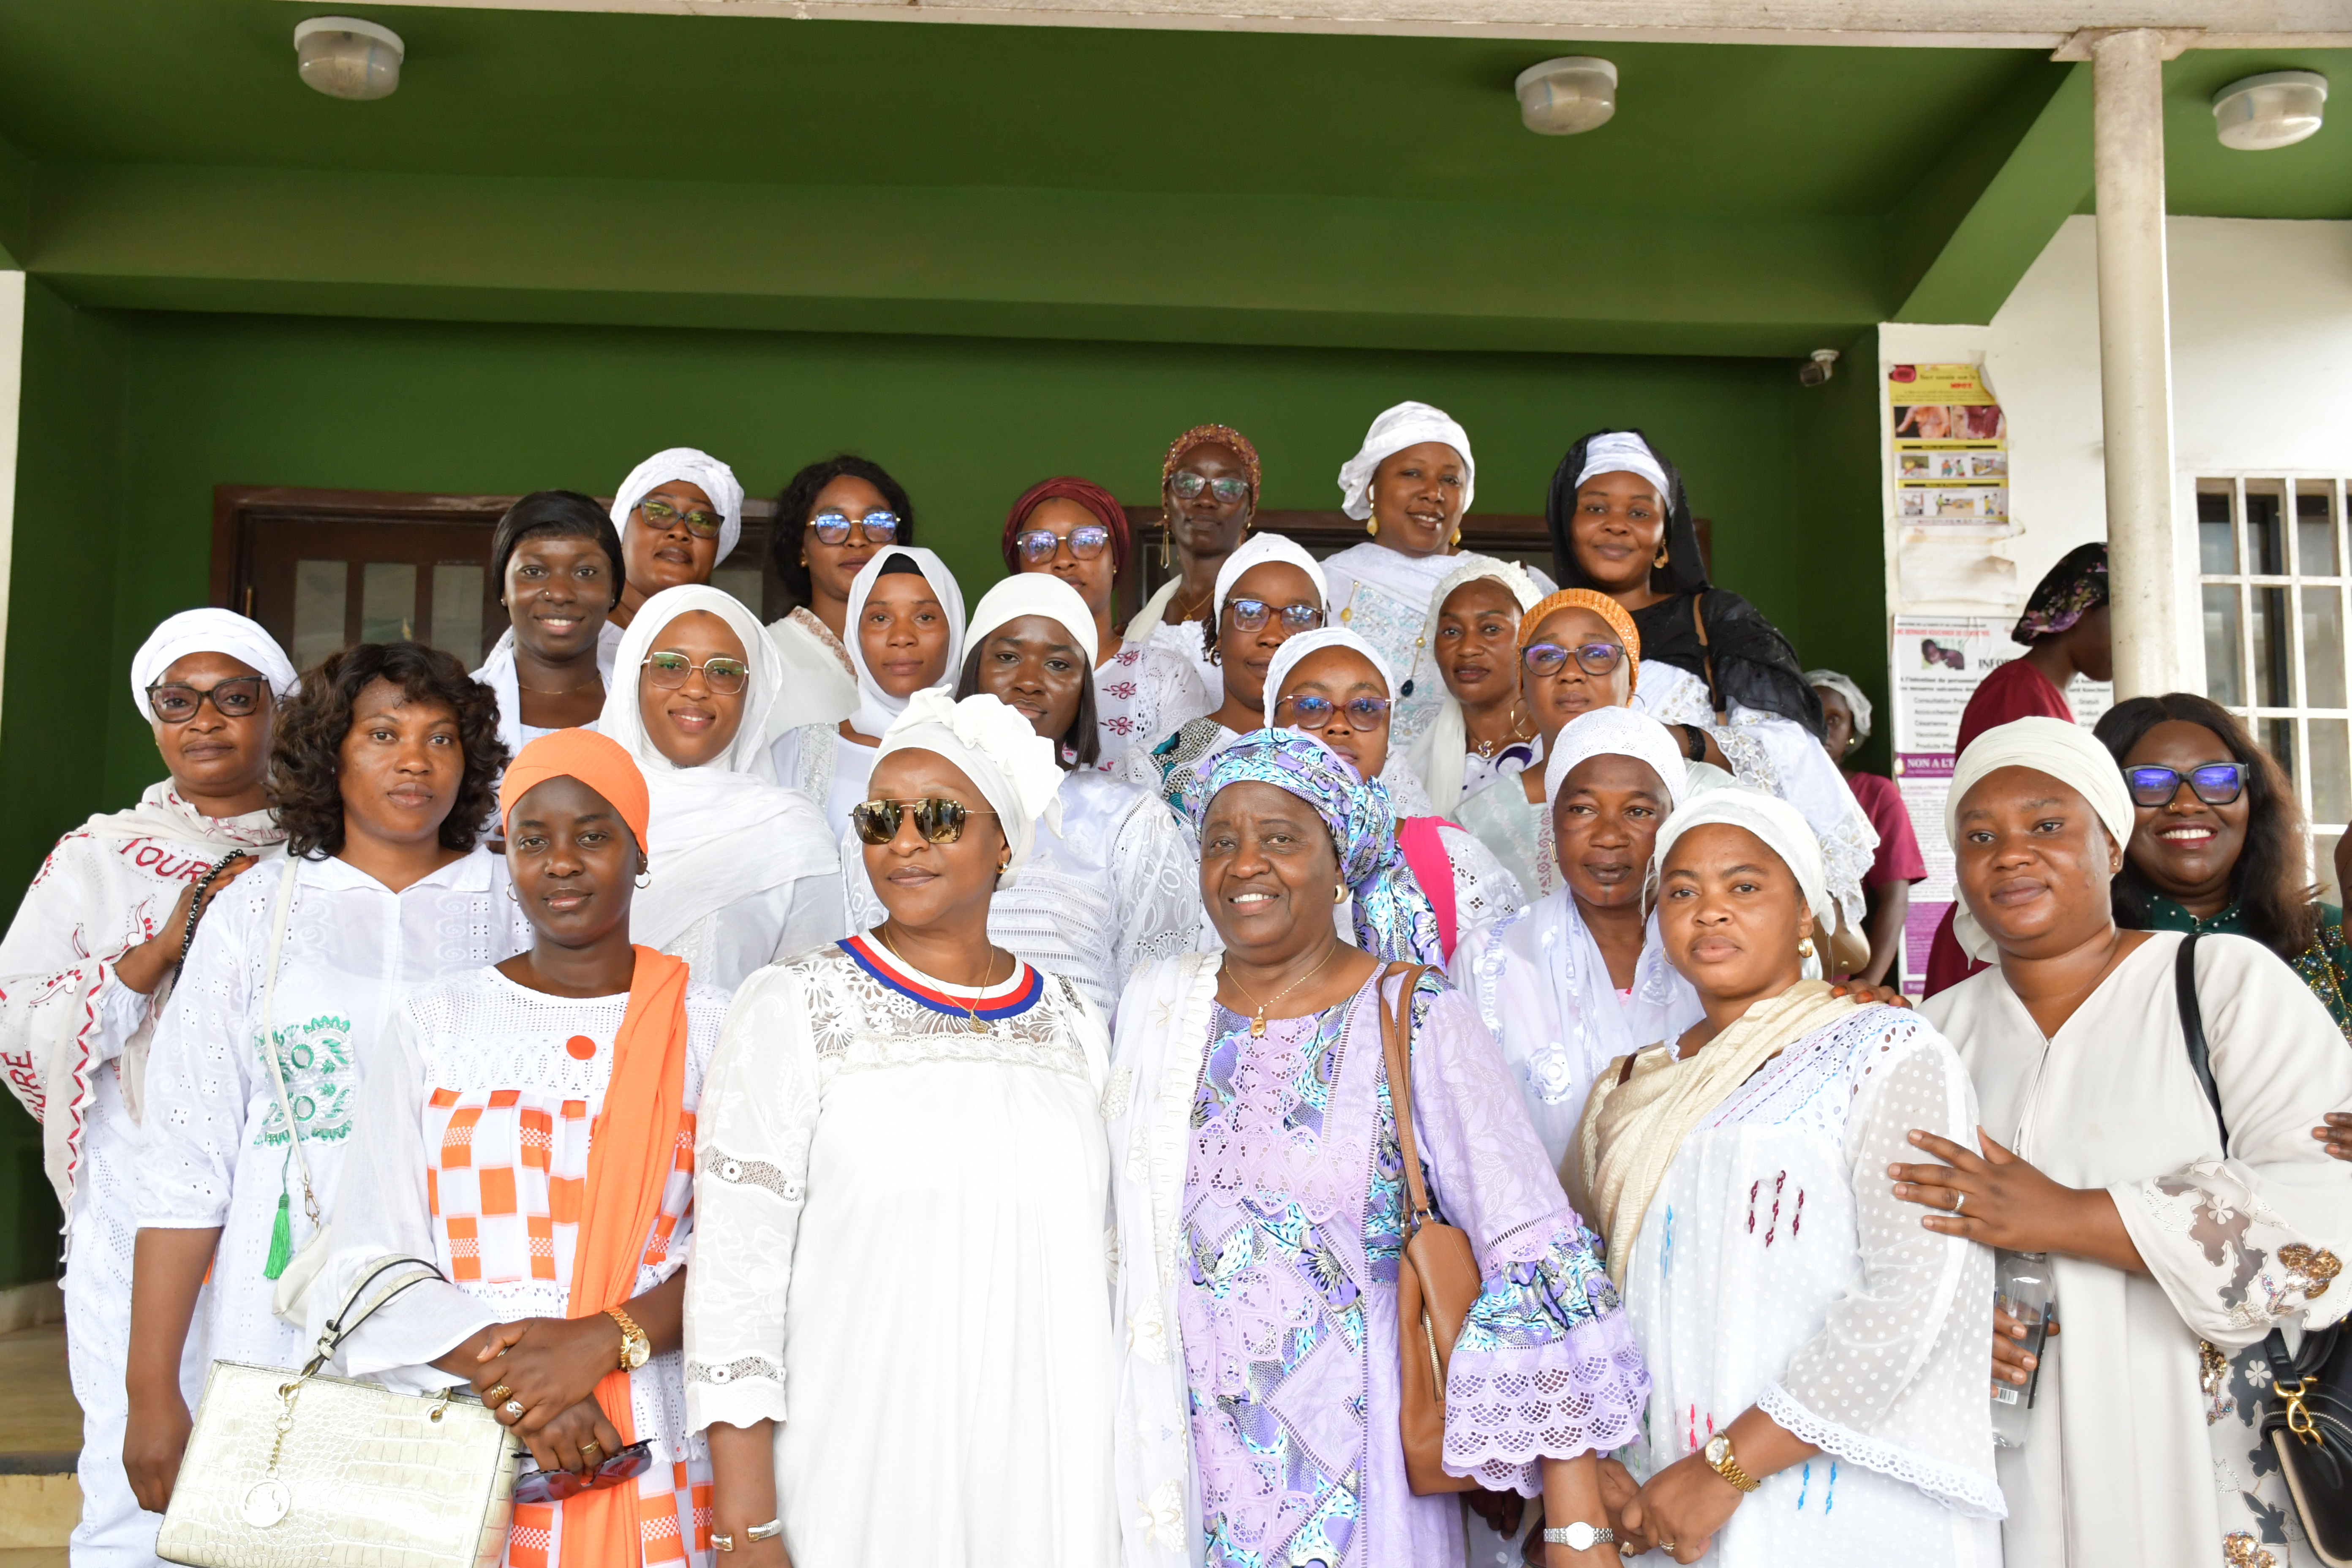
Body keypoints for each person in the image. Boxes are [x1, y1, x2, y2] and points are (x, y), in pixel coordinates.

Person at [1105, 726, 1647, 1568]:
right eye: (1222, 841)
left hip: (1356, 1484)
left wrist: (1578, 1522)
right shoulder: (1158, 1010)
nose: (1246, 863)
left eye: (1281, 838)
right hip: (1175, 1465)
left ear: (1340, 858)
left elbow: (1527, 1244)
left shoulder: (1415, 1013)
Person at [1908, 717, 2352, 1568]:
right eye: (1979, 835)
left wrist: (2068, 1215)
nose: (2011, 853)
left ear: (2112, 845)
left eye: (2047, 825)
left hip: (2206, 1445)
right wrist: (1950, 1321)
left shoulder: (2222, 984)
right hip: (2001, 1459)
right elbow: (1883, 1242)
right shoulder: (1932, 1038)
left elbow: (2324, 1204)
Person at [684, 690, 1116, 1566]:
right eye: (882, 818)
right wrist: (747, 1522)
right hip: (857, 1473)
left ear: (1006, 842)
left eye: (941, 816)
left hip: (1047, 1476)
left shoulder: (1075, 1023)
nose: (907, 841)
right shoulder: (794, 1002)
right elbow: (736, 1279)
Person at [125, 642, 531, 1516]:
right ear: (329, 751)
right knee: (282, 1526)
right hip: (279, 1296)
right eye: (382, 733)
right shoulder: (255, 911)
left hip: (469, 1292)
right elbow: (185, 1164)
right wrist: (152, 1387)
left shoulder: (514, 903)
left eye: (441, 737)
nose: (415, 759)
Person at [318, 730, 728, 1568]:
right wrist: (526, 1385)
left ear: (641, 850)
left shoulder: (716, 1027)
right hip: (466, 1437)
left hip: (656, 1429)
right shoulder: (438, 1025)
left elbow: (752, 1247)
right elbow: (366, 1250)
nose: (562, 862)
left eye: (594, 833)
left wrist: (601, 1341)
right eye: (532, 839)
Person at [1572, 786, 2001, 1565]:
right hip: (1662, 1501)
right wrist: (1597, 1462)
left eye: (1744, 887)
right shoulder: (1627, 1089)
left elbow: (1915, 1294)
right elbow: (1579, 1294)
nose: (1709, 911)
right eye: (1681, 891)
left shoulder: (1884, 1048)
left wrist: (1728, 1467)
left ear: (1805, 913)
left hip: (1844, 1502)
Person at [0, 610, 293, 1568]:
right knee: (136, 1451)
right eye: (178, 700)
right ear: (152, 717)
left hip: (282, 1191)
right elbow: (18, 1017)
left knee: (276, 1450)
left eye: (234, 697)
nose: (205, 720)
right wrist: (160, 947)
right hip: (132, 1192)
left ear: (276, 711)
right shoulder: (97, 856)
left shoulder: (324, 852)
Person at [1545, 429, 1877, 937]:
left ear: (1665, 534)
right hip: (1572, 882)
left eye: (1639, 512)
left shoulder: (1713, 619)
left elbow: (1793, 750)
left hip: (1705, 887)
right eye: (1595, 508)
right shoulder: (1536, 627)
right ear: (1568, 523)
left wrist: (1682, 740)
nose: (1616, 526)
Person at [840, 573, 1200, 1020]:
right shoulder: (895, 816)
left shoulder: (1129, 818)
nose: (1030, 681)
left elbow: (1159, 997)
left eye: (1059, 664)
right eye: (1008, 657)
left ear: (1084, 691)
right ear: (972, 670)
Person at [1451, 707, 1701, 1169]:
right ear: (1552, 825)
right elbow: (1470, 1149)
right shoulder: (1490, 961)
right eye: (1583, 809)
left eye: (1639, 811)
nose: (1609, 835)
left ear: (1673, 826)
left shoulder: (1712, 956)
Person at [599, 586, 845, 993]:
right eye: (670, 665)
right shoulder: (582, 817)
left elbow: (809, 1003)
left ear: (753, 695)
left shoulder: (790, 835)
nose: (696, 689)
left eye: (724, 671)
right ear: (633, 677)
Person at [1251, 626, 1522, 959]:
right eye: (1311, 705)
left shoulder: (1452, 859)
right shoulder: (1236, 857)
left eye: (1365, 708)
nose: (1339, 724)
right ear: (1271, 726)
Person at [2093, 692, 2352, 1034]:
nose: (2187, 805)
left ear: (2253, 799)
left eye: (2216, 780)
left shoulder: (2332, 939)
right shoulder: (2078, 952)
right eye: (2151, 783)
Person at [1920, 543, 2112, 997]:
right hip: (2004, 929)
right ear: (2082, 610)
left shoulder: (2044, 695)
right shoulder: (2017, 695)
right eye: (2120, 618)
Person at [1000, 474, 1208, 770]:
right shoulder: (994, 673)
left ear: (1115, 560)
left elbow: (1189, 792)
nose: (1063, 560)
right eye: (1038, 544)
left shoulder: (1165, 676)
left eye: (1086, 541)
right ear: (1019, 567)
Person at [1454, 588, 1646, 902]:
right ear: (1523, 685)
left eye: (1596, 653)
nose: (1570, 674)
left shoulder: (1696, 790)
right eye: (1547, 656)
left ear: (1631, 679)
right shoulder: (1477, 822)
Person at [771, 545, 966, 832]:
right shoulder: (797, 754)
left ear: (955, 629)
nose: (901, 637)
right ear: (855, 633)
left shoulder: (992, 748)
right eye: (880, 618)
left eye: (924, 617)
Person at [1323, 401, 1482, 751]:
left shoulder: (1495, 586)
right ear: (1371, 488)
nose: (1433, 492)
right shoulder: (1325, 584)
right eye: (1412, 473)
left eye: (1450, 480)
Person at [1122, 531, 1327, 803]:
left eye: (1300, 616)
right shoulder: (1151, 768)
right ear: (1219, 633)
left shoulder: (1355, 755)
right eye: (1250, 612)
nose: (1273, 636)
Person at [762, 455, 911, 734]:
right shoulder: (765, 655)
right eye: (832, 523)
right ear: (801, 549)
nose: (857, 539)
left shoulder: (924, 650)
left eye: (878, 521)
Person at [474, 490, 627, 756]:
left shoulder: (646, 705)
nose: (559, 593)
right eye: (533, 572)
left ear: (613, 589)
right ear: (503, 588)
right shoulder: (459, 709)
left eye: (585, 572)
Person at [1808, 668, 1926, 987]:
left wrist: (1867, 986)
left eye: (1834, 720)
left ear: (1852, 731)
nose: (1822, 728)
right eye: (1812, 714)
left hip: (1841, 977)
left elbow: (1894, 899)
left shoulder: (1876, 795)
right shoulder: (1766, 789)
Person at [1124, 423, 1261, 695]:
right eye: (1189, 484)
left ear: (1249, 510)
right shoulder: (1147, 617)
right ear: (1167, 500)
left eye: (1228, 488)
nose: (1206, 500)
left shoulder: (1258, 607)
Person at [1405, 554, 1547, 812]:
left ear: (1530, 639)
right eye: (1451, 631)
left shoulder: (1557, 749)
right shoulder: (1414, 770)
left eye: (1491, 629)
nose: (1468, 649)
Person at [607, 448, 746, 629]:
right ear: (622, 530)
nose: (680, 532)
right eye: (659, 511)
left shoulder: (728, 647)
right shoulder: (579, 639)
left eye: (702, 520)